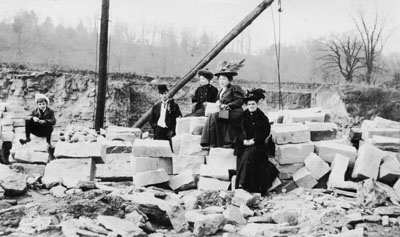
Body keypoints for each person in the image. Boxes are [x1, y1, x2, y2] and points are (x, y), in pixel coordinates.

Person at [235, 89, 279, 195]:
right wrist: (244, 140)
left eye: (253, 104)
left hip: (257, 145)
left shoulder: (262, 118)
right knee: (246, 154)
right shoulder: (242, 117)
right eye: (249, 104)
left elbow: (265, 132)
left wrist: (254, 140)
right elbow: (237, 131)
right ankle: (243, 183)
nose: (251, 106)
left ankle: (244, 183)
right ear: (246, 105)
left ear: (257, 104)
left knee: (252, 153)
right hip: (244, 145)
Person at [200, 60, 245, 148]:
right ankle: (207, 142)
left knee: (214, 116)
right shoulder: (221, 91)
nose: (221, 81)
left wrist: (228, 105)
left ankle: (213, 143)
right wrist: (218, 103)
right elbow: (218, 101)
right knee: (211, 116)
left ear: (229, 80)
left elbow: (239, 101)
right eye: (220, 79)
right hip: (225, 111)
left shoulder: (234, 88)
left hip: (234, 112)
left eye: (224, 79)